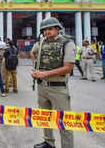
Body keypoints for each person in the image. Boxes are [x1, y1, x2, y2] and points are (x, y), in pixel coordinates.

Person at [30, 17, 75, 148]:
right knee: (44, 117)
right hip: (42, 87)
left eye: (50, 29)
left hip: (58, 88)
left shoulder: (67, 43)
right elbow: (32, 53)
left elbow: (68, 67)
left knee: (64, 121)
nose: (47, 32)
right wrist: (36, 66)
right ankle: (48, 142)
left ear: (57, 29)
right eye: (44, 30)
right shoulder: (42, 42)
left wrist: (44, 74)